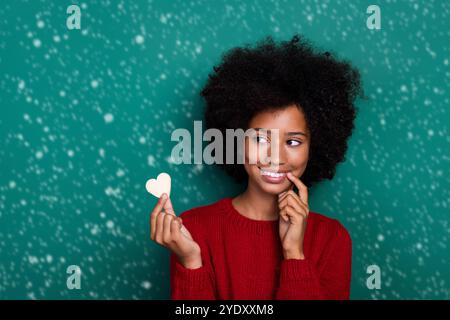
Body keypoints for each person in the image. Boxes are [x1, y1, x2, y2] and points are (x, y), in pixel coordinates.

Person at [150, 34, 363, 300]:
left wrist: (294, 254)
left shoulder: (332, 239)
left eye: (293, 141)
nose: (276, 156)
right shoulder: (192, 230)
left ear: (316, 147)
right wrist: (191, 263)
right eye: (261, 138)